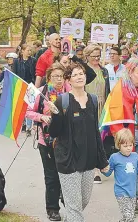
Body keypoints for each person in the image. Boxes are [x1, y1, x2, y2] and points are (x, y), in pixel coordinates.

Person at [48, 63, 109, 222]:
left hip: (88, 160)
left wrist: (102, 160)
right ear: (68, 79)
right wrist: (55, 116)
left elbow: (96, 132)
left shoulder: (93, 100)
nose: (79, 76)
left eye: (81, 73)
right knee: (74, 208)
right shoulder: (62, 101)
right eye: (74, 75)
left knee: (82, 201)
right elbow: (54, 133)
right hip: (68, 160)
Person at [99, 56, 138, 214]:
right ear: (130, 72)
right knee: (128, 170)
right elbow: (114, 113)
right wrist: (121, 137)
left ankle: (133, 198)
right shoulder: (121, 88)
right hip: (127, 136)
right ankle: (128, 200)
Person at [26, 62, 70, 221]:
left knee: (66, 173)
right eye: (55, 76)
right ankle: (52, 209)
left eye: (61, 76)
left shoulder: (69, 91)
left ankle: (69, 203)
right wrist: (42, 117)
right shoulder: (40, 92)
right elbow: (28, 111)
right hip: (46, 140)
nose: (59, 80)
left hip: (66, 140)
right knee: (51, 175)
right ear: (49, 77)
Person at [101, 128, 138, 222]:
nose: (128, 148)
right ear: (119, 145)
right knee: (129, 217)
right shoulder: (114, 157)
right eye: (125, 145)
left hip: (132, 192)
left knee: (128, 216)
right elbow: (108, 173)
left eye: (130, 145)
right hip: (121, 192)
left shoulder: (135, 156)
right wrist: (103, 169)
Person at [83, 44, 110, 184]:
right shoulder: (83, 70)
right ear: (87, 56)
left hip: (102, 106)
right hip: (87, 106)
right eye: (93, 56)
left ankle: (98, 165)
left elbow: (108, 91)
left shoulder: (104, 71)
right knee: (89, 137)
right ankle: (93, 169)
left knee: (99, 138)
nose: (96, 59)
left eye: (98, 56)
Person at [13, 44, 37, 136]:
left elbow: (35, 73)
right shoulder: (17, 61)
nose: (29, 52)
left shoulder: (33, 61)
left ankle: (28, 127)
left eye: (30, 50)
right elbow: (14, 74)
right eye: (28, 50)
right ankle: (22, 124)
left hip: (30, 86)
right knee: (21, 106)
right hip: (20, 86)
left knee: (30, 106)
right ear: (22, 51)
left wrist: (35, 84)